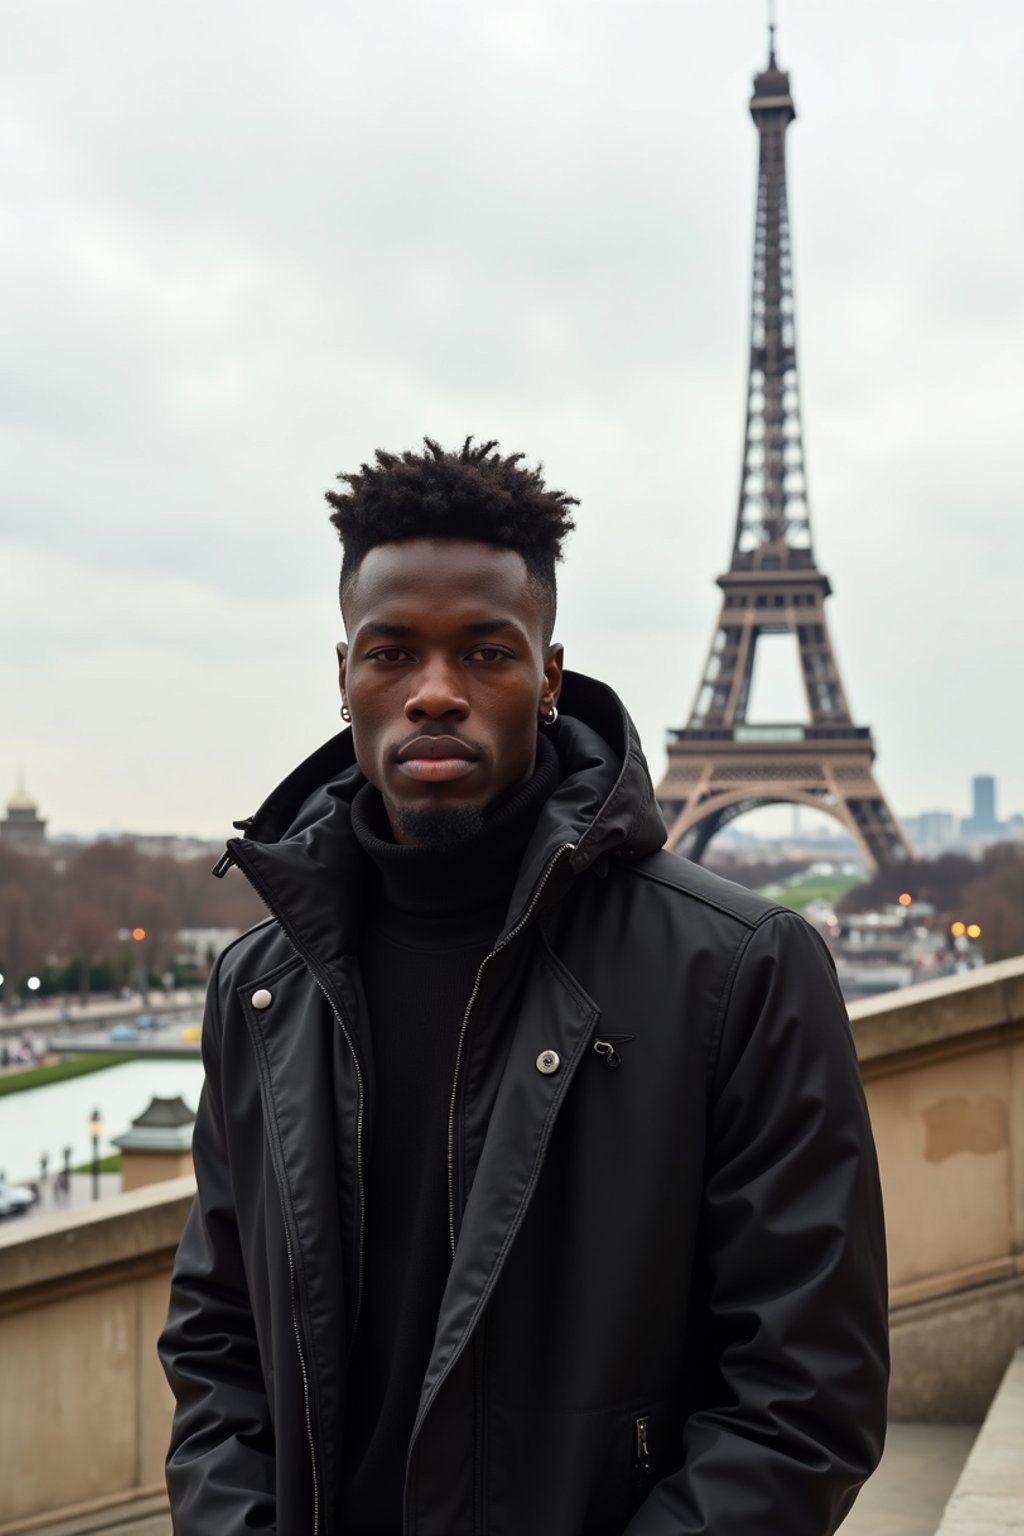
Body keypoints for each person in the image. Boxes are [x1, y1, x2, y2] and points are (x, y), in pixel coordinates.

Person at [159, 438, 888, 1536]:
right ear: (345, 673)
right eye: (393, 653)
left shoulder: (745, 969)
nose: (435, 693)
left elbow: (803, 1400)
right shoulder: (257, 988)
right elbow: (217, 1344)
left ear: (548, 677)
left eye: (485, 654)